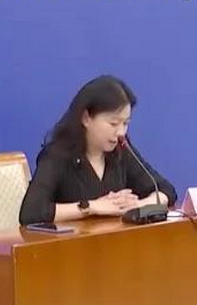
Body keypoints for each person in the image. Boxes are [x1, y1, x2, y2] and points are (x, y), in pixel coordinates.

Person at [18, 75, 178, 225]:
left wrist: (138, 206)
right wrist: (92, 207)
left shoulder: (121, 150)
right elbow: (31, 213)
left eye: (125, 123)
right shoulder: (57, 155)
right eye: (113, 123)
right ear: (86, 118)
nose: (121, 132)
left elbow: (166, 191)